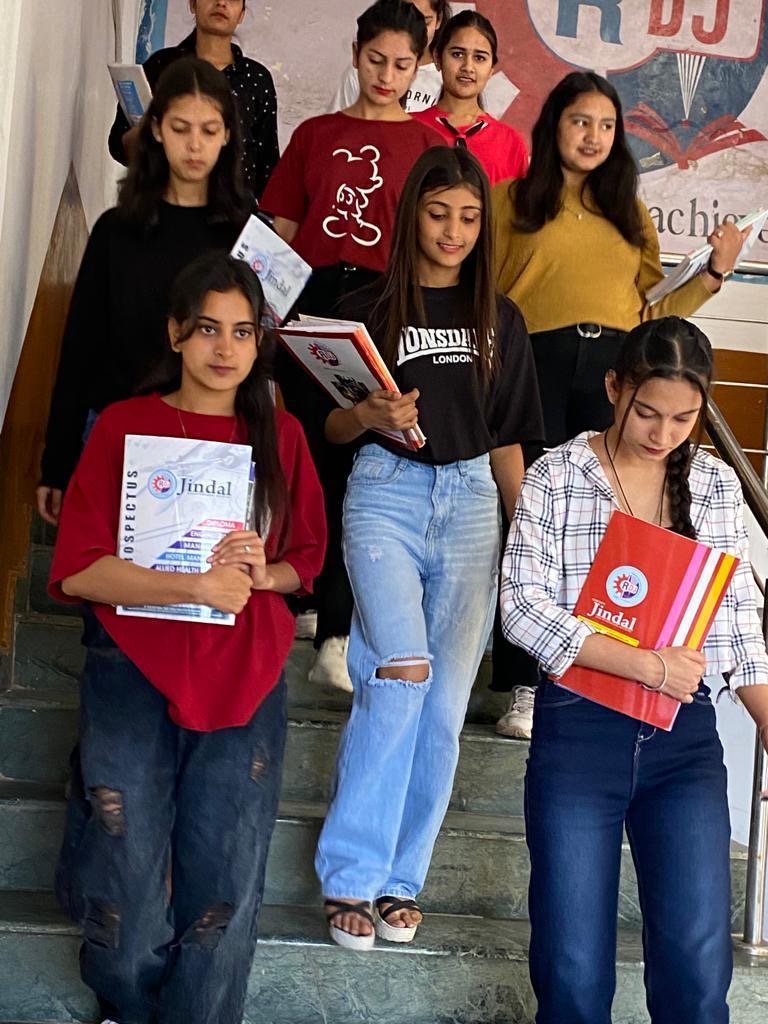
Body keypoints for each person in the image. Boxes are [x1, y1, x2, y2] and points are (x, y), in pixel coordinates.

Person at [47, 253, 326, 1024]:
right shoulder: (123, 426)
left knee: (225, 880)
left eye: (242, 331)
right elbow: (79, 571)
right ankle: (128, 1005)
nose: (224, 348)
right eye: (207, 328)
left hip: (245, 673)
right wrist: (194, 587)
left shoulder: (282, 436)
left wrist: (262, 574)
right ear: (175, 333)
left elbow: (305, 561)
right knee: (126, 874)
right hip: (131, 667)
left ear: (259, 341)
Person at [501, 316, 768, 1024]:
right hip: (578, 737)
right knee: (571, 970)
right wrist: (647, 665)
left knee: (697, 970)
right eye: (648, 412)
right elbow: (521, 608)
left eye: (684, 418)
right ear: (614, 387)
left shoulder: (714, 485)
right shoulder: (558, 474)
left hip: (683, 744)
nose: (663, 433)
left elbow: (737, 623)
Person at [313, 145, 543, 949]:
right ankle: (351, 874)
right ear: (412, 213)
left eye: (470, 217)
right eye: (439, 213)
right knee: (400, 671)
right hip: (387, 490)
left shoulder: (501, 319)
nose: (453, 231)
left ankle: (401, 880)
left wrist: (524, 539)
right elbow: (331, 427)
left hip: (475, 500)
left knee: (443, 708)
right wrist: (367, 416)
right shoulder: (364, 309)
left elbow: (509, 440)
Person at [490, 70, 747, 739]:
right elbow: (484, 296)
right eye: (580, 121)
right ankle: (524, 684)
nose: (593, 136)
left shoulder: (628, 213)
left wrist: (716, 272)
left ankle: (609, 667)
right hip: (534, 361)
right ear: (553, 125)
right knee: (530, 521)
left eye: (607, 126)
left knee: (606, 530)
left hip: (614, 373)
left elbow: (653, 312)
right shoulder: (508, 200)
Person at [261, 0, 441, 690]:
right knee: (304, 454)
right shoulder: (315, 133)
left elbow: (431, 244)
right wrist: (262, 320)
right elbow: (282, 230)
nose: (386, 75)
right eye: (375, 60)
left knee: (358, 462)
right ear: (356, 53)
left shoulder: (427, 146)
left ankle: (336, 633)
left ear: (419, 66)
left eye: (401, 64)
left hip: (380, 310)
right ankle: (294, 600)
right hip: (307, 304)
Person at [38, 56, 251, 522]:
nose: (194, 145)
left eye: (209, 130)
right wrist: (57, 461)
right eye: (180, 128)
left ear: (228, 136)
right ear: (155, 129)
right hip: (114, 432)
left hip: (211, 447)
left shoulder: (245, 237)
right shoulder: (116, 231)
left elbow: (259, 354)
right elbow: (80, 348)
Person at [109, 0, 278, 202]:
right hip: (164, 209)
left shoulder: (256, 80)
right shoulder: (161, 66)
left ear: (242, 14)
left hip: (233, 214)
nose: (221, 3)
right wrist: (144, 138)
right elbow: (118, 143)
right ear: (192, 4)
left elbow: (269, 170)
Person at [411, 10, 527, 185]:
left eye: (479, 58)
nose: (468, 67)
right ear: (438, 58)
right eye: (457, 54)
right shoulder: (409, 129)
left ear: (491, 69)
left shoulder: (511, 143)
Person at [329, 0, 451, 114]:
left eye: (402, 66)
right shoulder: (360, 73)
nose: (386, 78)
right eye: (375, 60)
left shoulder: (448, 75)